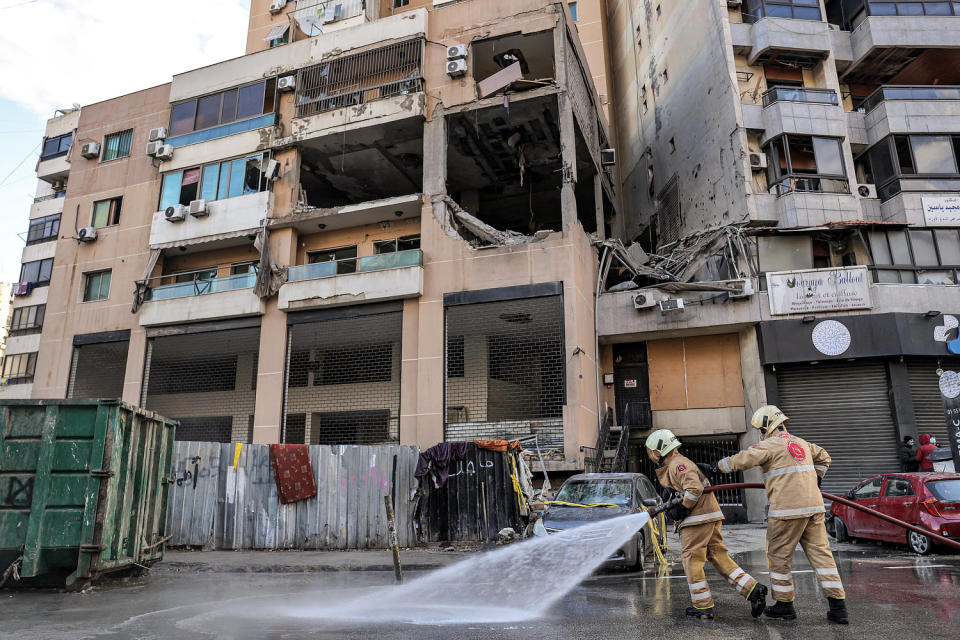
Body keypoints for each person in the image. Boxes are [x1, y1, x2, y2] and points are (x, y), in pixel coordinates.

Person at [710, 406, 848, 625]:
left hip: (787, 512)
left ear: (767, 427)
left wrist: (716, 467)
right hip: (814, 509)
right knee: (823, 558)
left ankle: (784, 605)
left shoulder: (769, 445)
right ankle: (838, 609)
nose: (760, 434)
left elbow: (742, 459)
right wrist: (817, 479)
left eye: (761, 430)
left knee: (778, 557)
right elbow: (824, 457)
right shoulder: (801, 443)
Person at [644, 429, 768, 621]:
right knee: (718, 555)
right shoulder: (679, 463)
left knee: (691, 560)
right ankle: (752, 589)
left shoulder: (678, 464)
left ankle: (703, 607)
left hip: (697, 520)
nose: (651, 456)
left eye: (651, 451)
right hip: (709, 516)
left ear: (658, 451)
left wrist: (683, 509)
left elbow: (694, 489)